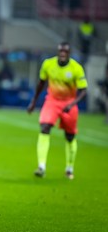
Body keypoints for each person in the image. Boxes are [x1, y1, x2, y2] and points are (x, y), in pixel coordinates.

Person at [27, 42, 88, 180]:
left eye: (65, 51)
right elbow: (41, 83)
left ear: (69, 53)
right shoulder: (48, 64)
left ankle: (69, 167)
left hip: (69, 103)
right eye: (60, 51)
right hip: (52, 101)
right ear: (57, 51)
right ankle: (41, 166)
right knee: (44, 127)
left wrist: (72, 103)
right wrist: (33, 102)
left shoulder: (76, 68)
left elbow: (84, 90)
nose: (62, 54)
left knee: (70, 136)